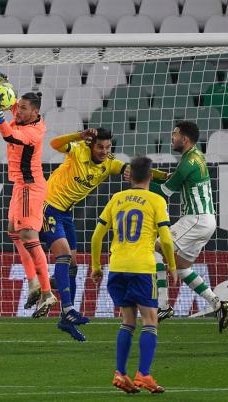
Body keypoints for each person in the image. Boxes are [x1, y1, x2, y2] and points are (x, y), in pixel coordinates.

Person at [41, 127, 169, 341]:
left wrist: (164, 177)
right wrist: (78, 136)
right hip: (48, 206)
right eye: (100, 146)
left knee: (72, 265)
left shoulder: (109, 163)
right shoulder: (78, 150)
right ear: (91, 145)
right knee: (63, 257)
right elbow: (54, 144)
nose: (103, 151)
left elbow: (136, 171)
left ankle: (65, 317)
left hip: (66, 213)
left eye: (108, 147)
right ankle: (67, 307)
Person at [90, 156, 177, 394]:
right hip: (142, 268)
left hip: (116, 267)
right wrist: (171, 265)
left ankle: (121, 373)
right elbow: (166, 239)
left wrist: (96, 266)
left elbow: (96, 236)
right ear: (150, 176)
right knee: (150, 321)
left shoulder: (117, 199)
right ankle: (144, 375)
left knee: (127, 321)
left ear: (130, 176)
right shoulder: (156, 200)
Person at [0, 82, 57, 318]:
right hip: (20, 185)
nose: (18, 111)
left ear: (35, 112)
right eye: (19, 107)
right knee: (13, 231)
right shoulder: (26, 117)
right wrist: (1, 85)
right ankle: (33, 282)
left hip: (29, 187)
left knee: (28, 236)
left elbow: (9, 135)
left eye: (23, 108)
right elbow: (11, 102)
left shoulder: (33, 132)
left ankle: (47, 292)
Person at [149, 121, 228, 332]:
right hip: (207, 220)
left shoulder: (188, 162)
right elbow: (176, 179)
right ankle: (216, 303)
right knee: (183, 267)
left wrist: (140, 181)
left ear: (184, 138)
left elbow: (165, 191)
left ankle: (163, 306)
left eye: (175, 134)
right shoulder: (194, 156)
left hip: (196, 218)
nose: (172, 138)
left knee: (157, 248)